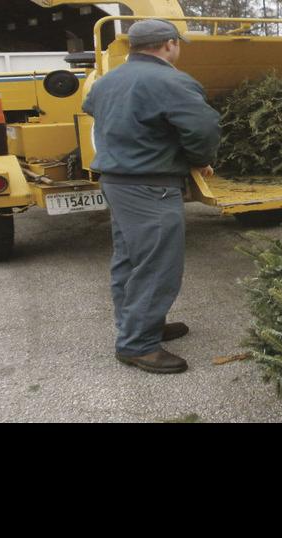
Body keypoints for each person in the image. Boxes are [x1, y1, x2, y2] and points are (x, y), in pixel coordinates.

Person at [82, 19, 221, 373]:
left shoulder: (106, 81)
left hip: (117, 182)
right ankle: (138, 345)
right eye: (178, 43)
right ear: (169, 44)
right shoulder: (172, 81)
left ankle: (141, 325)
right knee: (158, 265)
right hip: (151, 185)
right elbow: (203, 127)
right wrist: (199, 159)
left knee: (130, 260)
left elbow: (92, 109)